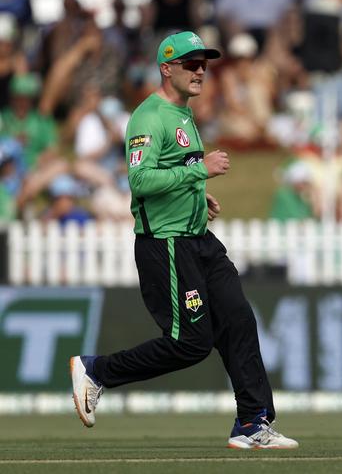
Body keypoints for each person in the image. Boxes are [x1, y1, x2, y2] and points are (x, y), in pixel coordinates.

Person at [69, 31, 298, 450]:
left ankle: (253, 422)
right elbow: (138, 181)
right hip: (167, 245)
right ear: (166, 68)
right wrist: (198, 174)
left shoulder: (184, 115)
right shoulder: (148, 117)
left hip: (198, 239)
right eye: (191, 64)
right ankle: (97, 370)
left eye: (204, 64)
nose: (200, 71)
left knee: (239, 320)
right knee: (190, 344)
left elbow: (174, 171)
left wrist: (196, 194)